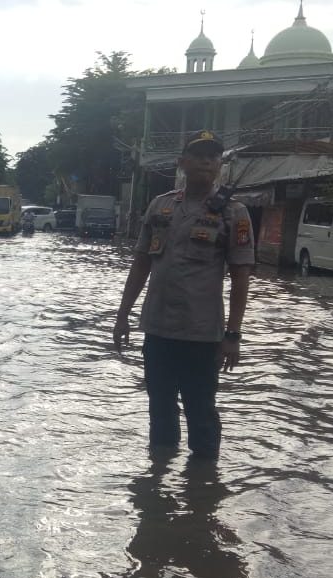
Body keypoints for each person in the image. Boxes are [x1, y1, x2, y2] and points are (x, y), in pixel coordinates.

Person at [112, 131, 255, 459]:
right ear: (182, 163)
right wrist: (122, 316)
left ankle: (202, 486)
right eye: (199, 154)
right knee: (159, 410)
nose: (207, 160)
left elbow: (241, 277)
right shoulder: (160, 206)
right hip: (158, 329)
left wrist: (233, 334)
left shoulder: (234, 213)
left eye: (214, 156)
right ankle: (158, 480)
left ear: (220, 165)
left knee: (201, 412)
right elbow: (141, 264)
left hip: (202, 335)